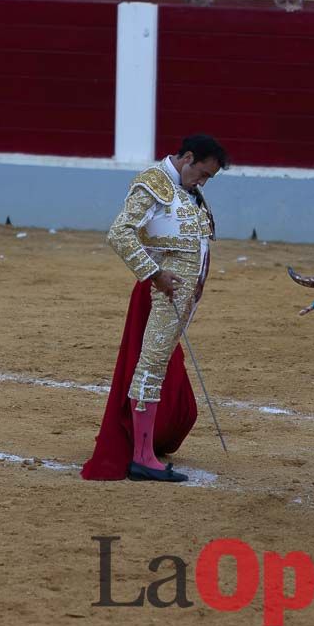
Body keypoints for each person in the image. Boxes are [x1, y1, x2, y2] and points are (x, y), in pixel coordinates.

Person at [81, 135, 228, 483]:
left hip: (182, 297)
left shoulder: (186, 190)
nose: (204, 181)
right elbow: (119, 233)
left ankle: (146, 449)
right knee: (150, 366)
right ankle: (143, 457)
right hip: (165, 294)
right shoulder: (154, 184)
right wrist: (154, 273)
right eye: (203, 173)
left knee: (156, 364)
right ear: (188, 157)